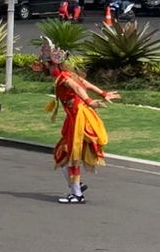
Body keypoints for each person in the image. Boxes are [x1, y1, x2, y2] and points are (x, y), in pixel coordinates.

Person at [45, 41, 118, 203]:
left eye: (48, 66)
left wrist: (90, 101)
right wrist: (103, 93)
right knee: (63, 153)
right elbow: (84, 83)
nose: (47, 69)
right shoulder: (68, 75)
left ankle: (77, 193)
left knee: (70, 154)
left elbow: (78, 88)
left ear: (54, 65)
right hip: (75, 117)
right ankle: (76, 187)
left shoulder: (64, 78)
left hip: (78, 118)